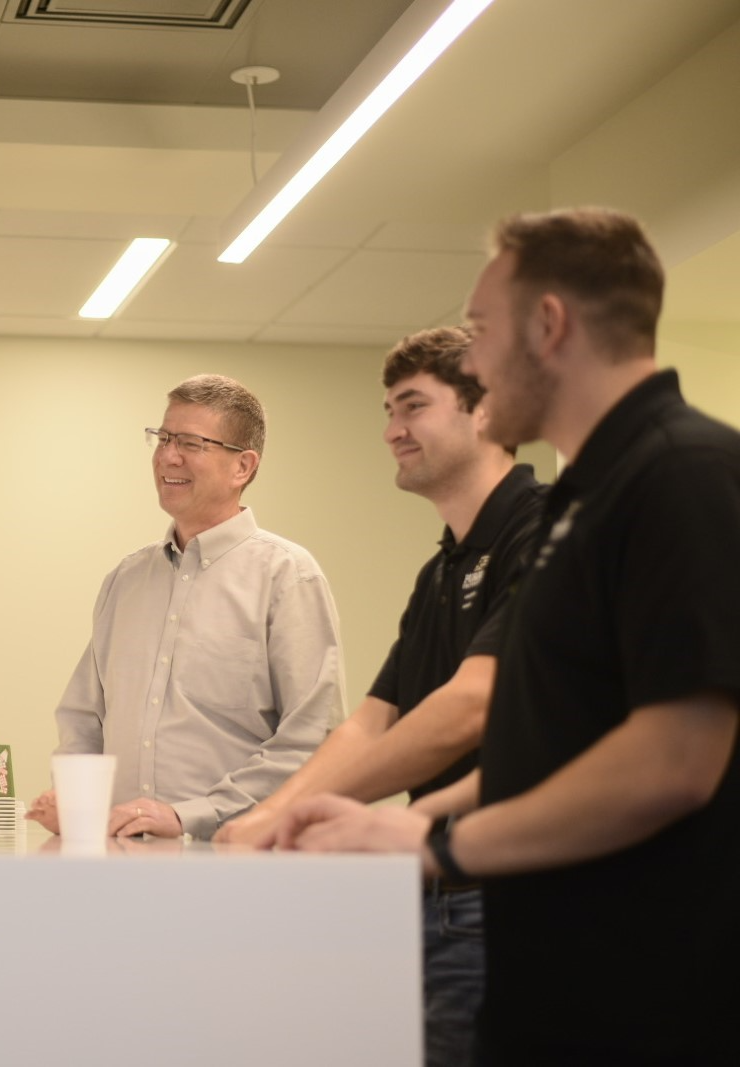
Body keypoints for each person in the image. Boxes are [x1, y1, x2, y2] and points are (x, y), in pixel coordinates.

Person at [279, 208, 740, 1065]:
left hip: (645, 995)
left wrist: (435, 839)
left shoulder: (684, 473)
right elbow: (554, 746)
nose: (478, 363)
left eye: (483, 331)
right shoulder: (582, 503)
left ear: (549, 324)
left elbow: (673, 760)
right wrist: (378, 824)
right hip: (546, 975)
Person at [215, 326, 546, 1067]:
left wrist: (284, 815)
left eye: (412, 406)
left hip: (509, 892)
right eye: (388, 410)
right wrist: (263, 819)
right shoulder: (440, 572)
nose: (392, 430)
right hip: (430, 885)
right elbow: (371, 722)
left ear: (485, 411)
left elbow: (470, 706)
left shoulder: (542, 531)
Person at [26, 374, 344, 840]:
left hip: (233, 862)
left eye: (192, 442)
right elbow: (82, 720)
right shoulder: (126, 580)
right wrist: (78, 804)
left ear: (243, 466)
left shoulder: (287, 576)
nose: (168, 456)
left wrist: (190, 814)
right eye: (163, 437)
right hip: (120, 860)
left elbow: (311, 738)